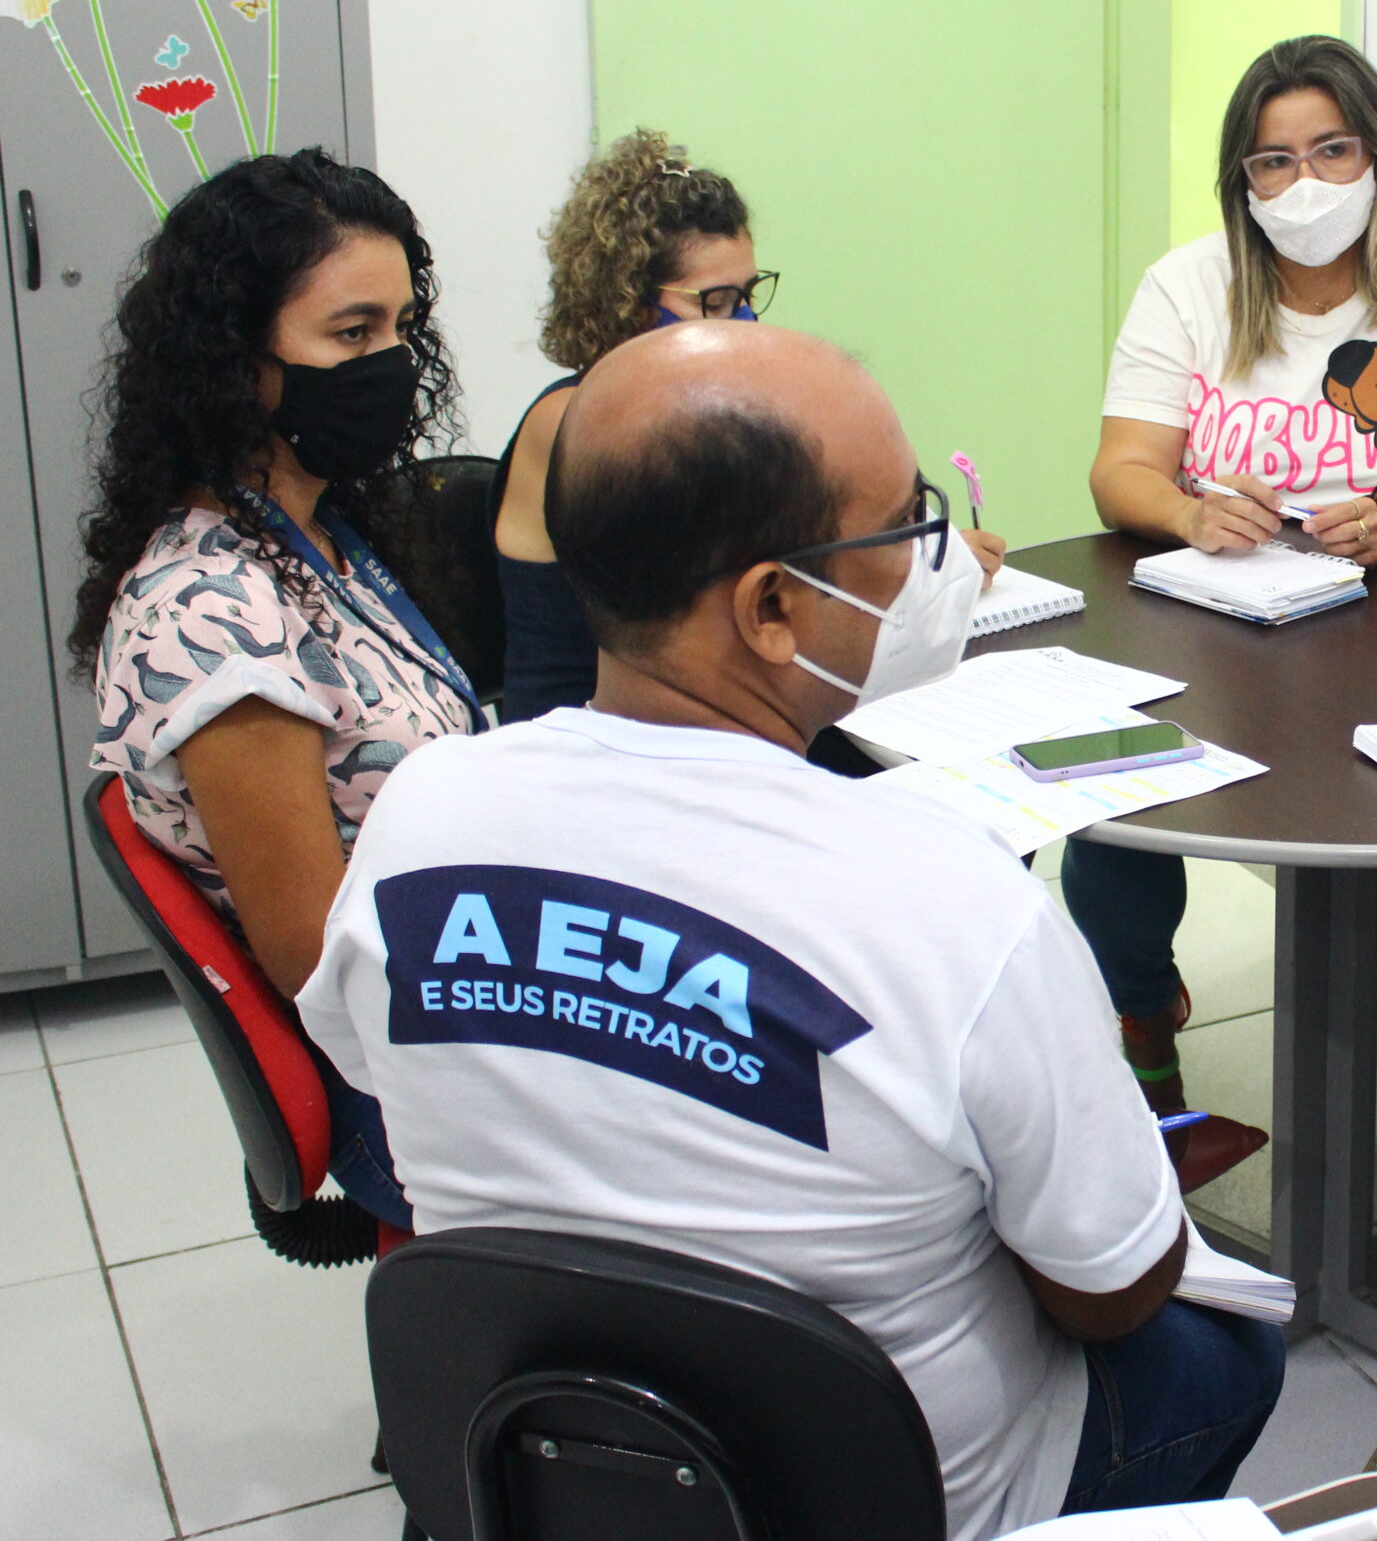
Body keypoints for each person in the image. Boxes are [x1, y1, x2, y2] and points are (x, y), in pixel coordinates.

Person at [298, 320, 1283, 1539]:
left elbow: (372, 1069)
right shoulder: (953, 893)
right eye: (905, 526)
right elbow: (1113, 1289)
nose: (935, 563)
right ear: (770, 607)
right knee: (1222, 1351)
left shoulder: (421, 814)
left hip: (546, 1460)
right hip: (892, 1506)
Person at [1079, 34, 1377, 1179]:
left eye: (1331, 150)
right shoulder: (1189, 283)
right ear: (1243, 181)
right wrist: (1190, 516)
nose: (1304, 185)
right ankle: (1142, 1020)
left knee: (1366, 836)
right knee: (1108, 811)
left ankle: (1320, 1079)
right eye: (1271, 163)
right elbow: (1121, 470)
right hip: (1209, 614)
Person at [74, 150, 484, 1232]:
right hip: (402, 1075)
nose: (389, 364)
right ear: (233, 361)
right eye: (351, 336)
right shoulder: (213, 615)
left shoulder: (320, 533)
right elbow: (313, 955)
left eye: (401, 329)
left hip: (454, 982)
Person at [490, 128, 1005, 726]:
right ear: (627, 301)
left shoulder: (685, 409)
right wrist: (922, 574)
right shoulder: (585, 424)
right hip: (594, 742)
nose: (743, 320)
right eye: (713, 301)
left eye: (750, 293)